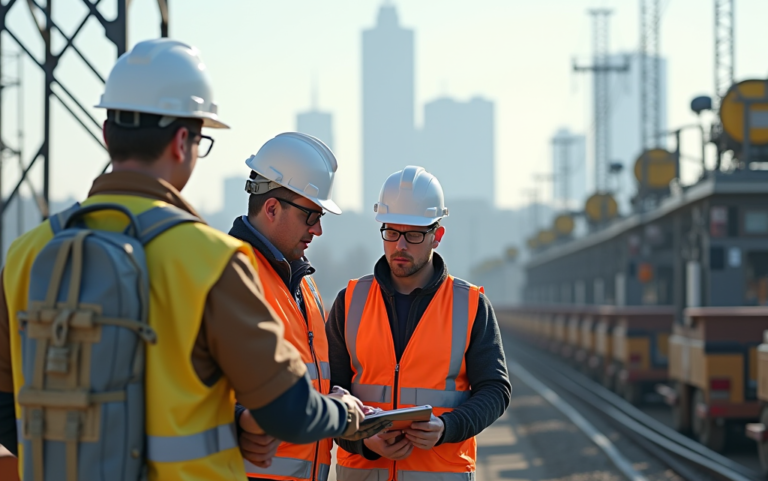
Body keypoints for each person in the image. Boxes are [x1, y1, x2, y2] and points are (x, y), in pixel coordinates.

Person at [0, 38, 375, 481]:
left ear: (106, 135)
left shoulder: (27, 253)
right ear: (183, 141)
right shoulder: (212, 260)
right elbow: (288, 411)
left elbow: (8, 408)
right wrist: (346, 413)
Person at [326, 166, 512, 480]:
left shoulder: (470, 305)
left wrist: (447, 428)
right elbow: (328, 395)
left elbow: (495, 391)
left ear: (436, 236)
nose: (400, 245)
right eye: (392, 232)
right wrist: (364, 441)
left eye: (413, 235)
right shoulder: (350, 301)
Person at [228, 132, 344, 481]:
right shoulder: (228, 274)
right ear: (272, 207)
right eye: (311, 215)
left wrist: (334, 399)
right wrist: (238, 422)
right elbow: (182, 387)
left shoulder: (306, 285)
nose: (318, 230)